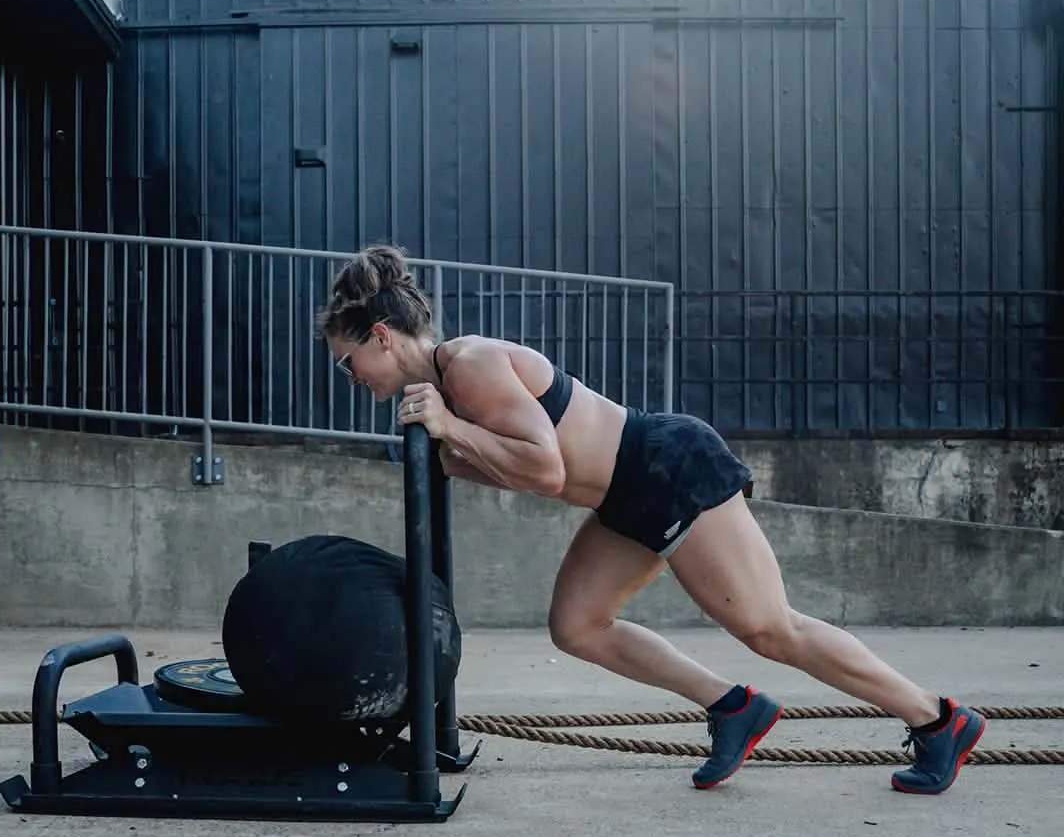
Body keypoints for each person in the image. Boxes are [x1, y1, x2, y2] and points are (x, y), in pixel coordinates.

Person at [317, 245, 985, 794]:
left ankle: (937, 720)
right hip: (621, 499)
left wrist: (447, 429)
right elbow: (525, 468)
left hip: (667, 468)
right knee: (576, 624)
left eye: (350, 363)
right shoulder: (449, 391)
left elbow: (544, 470)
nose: (351, 379)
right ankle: (733, 706)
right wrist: (453, 449)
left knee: (771, 628)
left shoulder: (470, 365)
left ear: (381, 335)